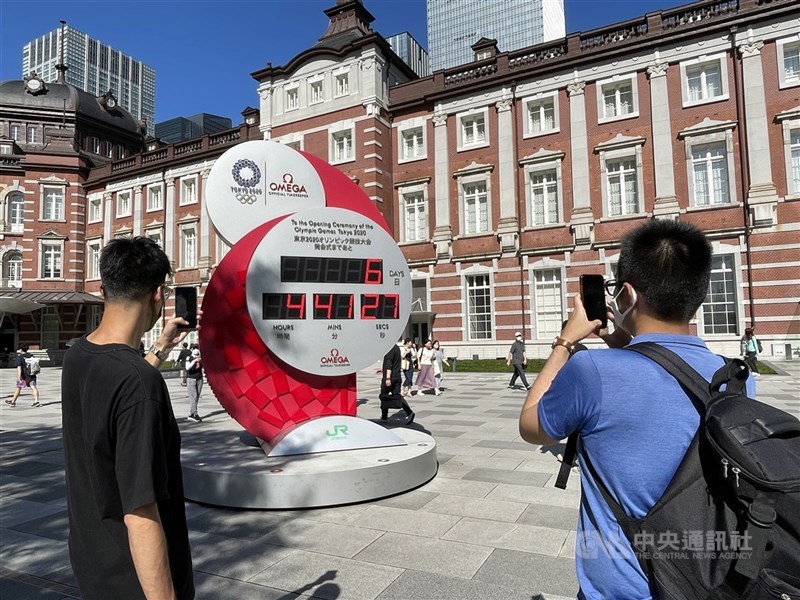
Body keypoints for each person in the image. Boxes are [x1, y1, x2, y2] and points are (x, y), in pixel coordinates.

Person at [518, 219, 755, 599]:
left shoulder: (592, 371)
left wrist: (564, 342)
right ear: (699, 292)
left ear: (625, 295)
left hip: (624, 586)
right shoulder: (735, 377)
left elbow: (531, 426)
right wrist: (627, 341)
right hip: (705, 579)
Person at [61, 236, 194, 600]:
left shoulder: (78, 356)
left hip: (94, 566)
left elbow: (119, 395)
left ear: (103, 288)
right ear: (158, 294)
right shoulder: (137, 381)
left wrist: (160, 348)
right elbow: (140, 509)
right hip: (134, 582)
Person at [379, 339, 414, 423]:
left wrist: (387, 378)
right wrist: (382, 369)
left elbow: (389, 364)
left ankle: (384, 416)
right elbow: (395, 363)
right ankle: (409, 412)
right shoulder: (396, 348)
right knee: (397, 396)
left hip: (390, 377)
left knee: (384, 395)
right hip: (397, 376)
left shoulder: (389, 349)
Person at [185, 348, 203, 422]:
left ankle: (192, 413)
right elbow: (187, 367)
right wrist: (194, 361)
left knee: (197, 397)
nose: (196, 357)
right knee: (193, 396)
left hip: (199, 378)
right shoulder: (189, 358)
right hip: (191, 379)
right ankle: (195, 414)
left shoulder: (201, 359)